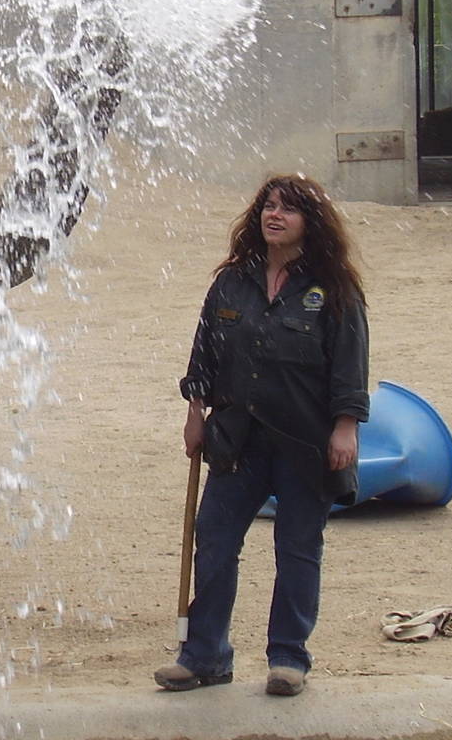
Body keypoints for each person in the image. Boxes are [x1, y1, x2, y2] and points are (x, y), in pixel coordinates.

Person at [154, 174, 369, 698]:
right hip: (238, 439)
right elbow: (204, 354)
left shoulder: (334, 288)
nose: (275, 215)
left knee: (297, 549)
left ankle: (288, 659)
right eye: (269, 206)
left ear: (310, 223)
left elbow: (350, 366)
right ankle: (204, 656)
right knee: (214, 540)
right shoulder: (231, 282)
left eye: (289, 209)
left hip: (306, 442)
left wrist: (345, 428)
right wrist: (195, 412)